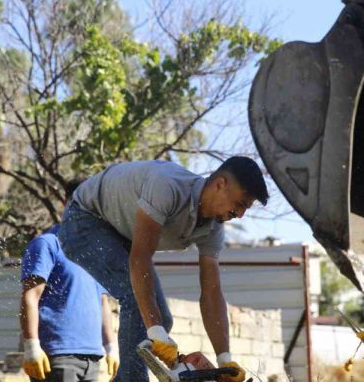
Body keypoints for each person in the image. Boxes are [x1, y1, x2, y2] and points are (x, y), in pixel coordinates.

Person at [57, 157, 268, 382]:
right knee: (143, 311)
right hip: (84, 220)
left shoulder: (213, 229)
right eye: (240, 204)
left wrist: (224, 358)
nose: (240, 213)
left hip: (118, 233)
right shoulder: (167, 185)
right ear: (220, 184)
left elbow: (211, 293)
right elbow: (140, 257)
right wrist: (154, 329)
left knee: (162, 319)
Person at [20, 179, 120, 382]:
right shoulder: (48, 244)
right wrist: (31, 345)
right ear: (67, 203)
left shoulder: (93, 252)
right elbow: (30, 297)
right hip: (57, 356)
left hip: (92, 356)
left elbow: (102, 302)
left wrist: (111, 347)